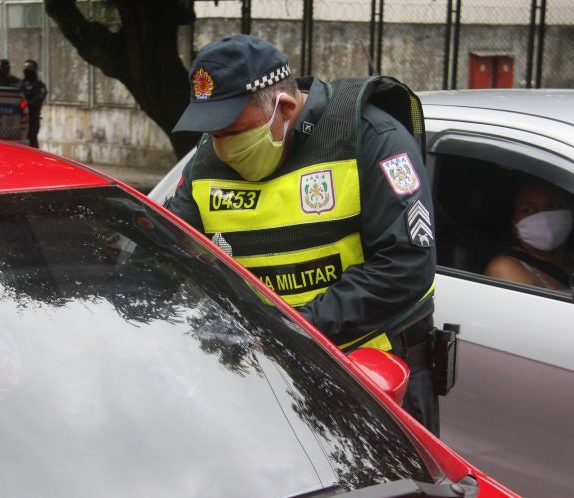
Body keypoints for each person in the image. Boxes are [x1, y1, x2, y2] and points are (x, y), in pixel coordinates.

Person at [167, 34, 440, 434]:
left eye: (232, 132)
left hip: (372, 383)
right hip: (262, 383)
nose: (221, 147)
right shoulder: (208, 161)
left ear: (285, 107)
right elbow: (171, 253)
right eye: (213, 134)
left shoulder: (371, 138)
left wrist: (291, 329)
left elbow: (406, 266)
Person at [485, 177, 572, 290]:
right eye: (529, 210)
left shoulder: (570, 259)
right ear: (515, 226)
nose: (544, 217)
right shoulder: (505, 267)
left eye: (554, 205)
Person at [19, 59, 48, 148]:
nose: (26, 71)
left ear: (34, 70)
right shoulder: (20, 84)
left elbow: (36, 102)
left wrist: (24, 105)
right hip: (18, 119)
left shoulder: (39, 86)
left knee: (31, 142)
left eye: (28, 69)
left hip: (32, 119)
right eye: (25, 69)